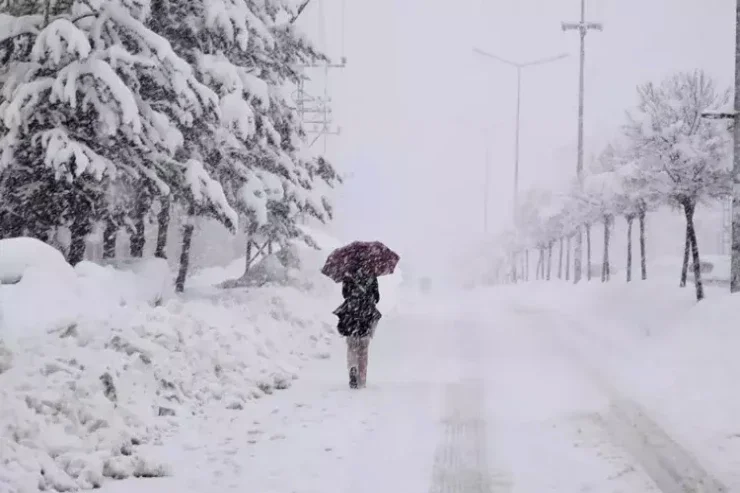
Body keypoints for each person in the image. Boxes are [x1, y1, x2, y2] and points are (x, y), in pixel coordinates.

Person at [333, 269, 381, 389]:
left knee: (352, 347)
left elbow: (345, 294)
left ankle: (352, 367)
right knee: (363, 349)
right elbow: (377, 297)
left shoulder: (348, 274)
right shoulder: (371, 274)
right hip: (366, 315)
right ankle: (362, 377)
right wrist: (368, 297)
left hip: (351, 316)